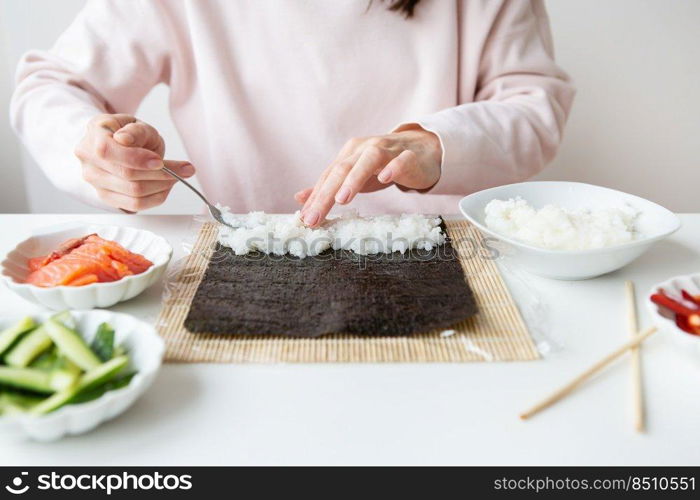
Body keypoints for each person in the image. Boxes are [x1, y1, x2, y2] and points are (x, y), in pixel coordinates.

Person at [10, 0, 574, 227]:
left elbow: (535, 106)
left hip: (443, 255)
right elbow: (51, 85)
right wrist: (92, 147)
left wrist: (437, 145)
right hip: (244, 257)